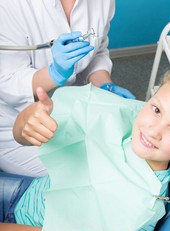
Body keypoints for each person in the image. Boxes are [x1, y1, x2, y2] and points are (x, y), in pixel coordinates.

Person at [0, 69, 170, 231]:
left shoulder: (140, 212)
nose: (154, 130)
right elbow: (22, 135)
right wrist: (28, 121)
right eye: (156, 109)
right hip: (26, 194)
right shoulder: (123, 120)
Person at [0, 0, 135, 177]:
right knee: (92, 172)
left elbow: (98, 51)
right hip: (16, 125)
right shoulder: (9, 5)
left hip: (71, 109)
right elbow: (7, 80)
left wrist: (104, 85)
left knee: (123, 153)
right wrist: (54, 73)